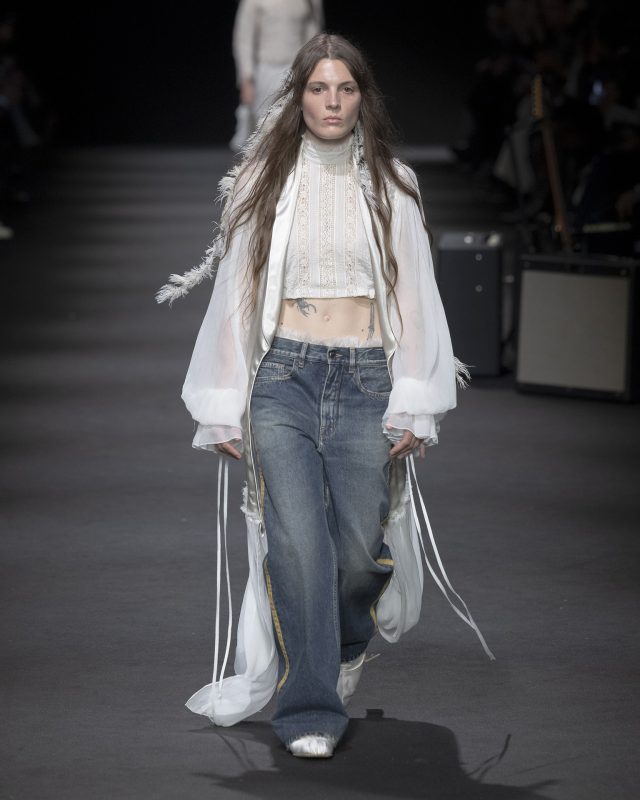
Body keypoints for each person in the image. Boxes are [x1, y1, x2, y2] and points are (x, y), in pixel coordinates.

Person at [157, 32, 493, 759]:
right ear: (298, 96)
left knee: (353, 550)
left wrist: (418, 398)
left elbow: (416, 296)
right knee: (297, 544)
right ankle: (309, 706)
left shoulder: (394, 184)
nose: (332, 102)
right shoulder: (261, 181)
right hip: (282, 376)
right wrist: (221, 398)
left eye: (345, 89)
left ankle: (343, 641)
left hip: (368, 377)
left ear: (361, 98)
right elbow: (237, 296)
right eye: (318, 89)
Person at [230, 0, 324, 151]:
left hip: (297, 69)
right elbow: (244, 39)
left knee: (297, 124)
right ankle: (262, 169)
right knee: (263, 127)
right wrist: (247, 78)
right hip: (266, 69)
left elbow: (313, 33)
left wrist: (315, 67)